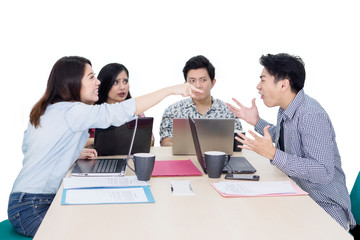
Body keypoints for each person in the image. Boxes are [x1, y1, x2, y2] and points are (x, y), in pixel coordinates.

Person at [7, 56, 202, 237]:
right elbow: (119, 111)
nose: (98, 82)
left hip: (26, 201)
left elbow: (31, 149)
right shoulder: (72, 111)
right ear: (72, 82)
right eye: (91, 77)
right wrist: (171, 90)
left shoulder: (48, 109)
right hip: (32, 208)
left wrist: (73, 151)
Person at [227, 53, 356, 230]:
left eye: (263, 80)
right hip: (299, 194)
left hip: (324, 206)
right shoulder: (287, 109)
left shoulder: (310, 114)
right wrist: (257, 122)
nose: (258, 86)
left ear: (283, 84)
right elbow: (285, 137)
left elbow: (324, 171)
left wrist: (273, 154)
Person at [159, 55, 242, 146]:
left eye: (203, 80)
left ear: (213, 83)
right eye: (192, 81)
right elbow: (166, 142)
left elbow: (237, 143)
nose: (198, 85)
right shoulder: (173, 110)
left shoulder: (228, 112)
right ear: (185, 84)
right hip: (183, 160)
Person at [86, 63, 154, 147]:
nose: (122, 87)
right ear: (105, 84)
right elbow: (76, 142)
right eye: (115, 82)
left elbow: (149, 141)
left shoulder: (135, 109)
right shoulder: (92, 111)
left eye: (125, 81)